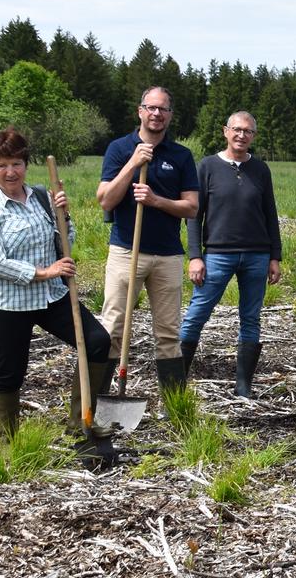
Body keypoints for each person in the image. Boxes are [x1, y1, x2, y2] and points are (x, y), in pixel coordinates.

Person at [0, 128, 113, 438]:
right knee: (11, 373)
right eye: (2, 165)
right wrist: (45, 271)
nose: (10, 172)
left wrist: (65, 216)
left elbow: (65, 244)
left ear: (26, 164)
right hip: (9, 303)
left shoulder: (42, 198)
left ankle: (81, 421)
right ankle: (10, 442)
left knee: (98, 342)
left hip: (51, 297)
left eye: (16, 163)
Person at [95, 86, 199, 390]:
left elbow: (191, 208)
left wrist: (156, 200)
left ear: (170, 115)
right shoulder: (119, 148)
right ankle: (98, 399)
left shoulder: (181, 156)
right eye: (151, 108)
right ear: (140, 111)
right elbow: (105, 200)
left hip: (167, 255)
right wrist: (133, 164)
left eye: (163, 109)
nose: (156, 114)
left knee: (168, 332)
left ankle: (174, 403)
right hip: (127, 251)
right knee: (113, 326)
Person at [180, 111, 282, 398]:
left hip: (256, 255)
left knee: (251, 318)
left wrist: (275, 255)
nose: (241, 135)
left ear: (253, 136)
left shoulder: (260, 170)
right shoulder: (208, 166)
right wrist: (195, 256)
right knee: (196, 315)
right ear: (225, 131)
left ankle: (243, 387)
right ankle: (175, 383)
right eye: (236, 130)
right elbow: (193, 216)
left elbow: (270, 214)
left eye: (247, 131)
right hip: (217, 255)